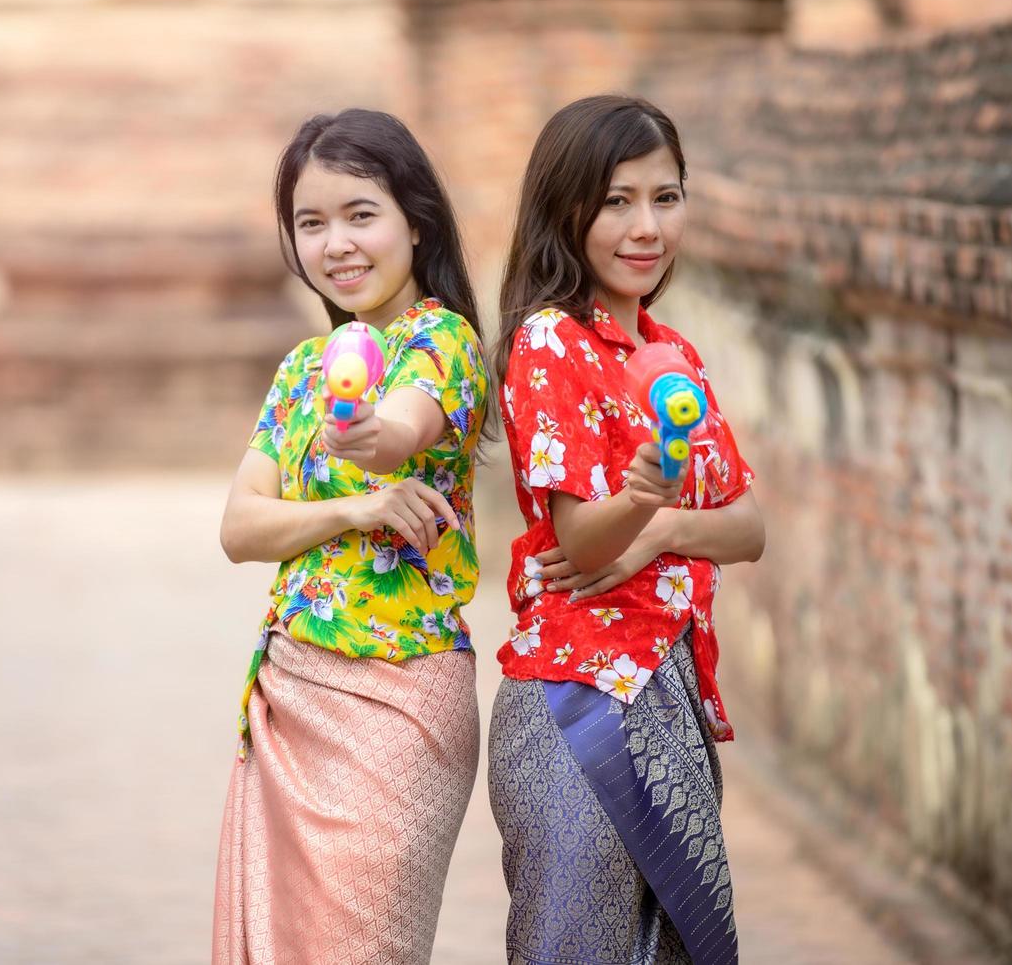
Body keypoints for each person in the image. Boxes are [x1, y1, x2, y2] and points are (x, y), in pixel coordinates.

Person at [489, 94, 766, 965]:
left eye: (665, 197)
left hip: (668, 694)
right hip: (580, 708)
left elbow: (749, 526)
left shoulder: (674, 355)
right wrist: (643, 508)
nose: (645, 227)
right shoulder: (548, 344)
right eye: (615, 201)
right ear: (563, 209)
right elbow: (581, 544)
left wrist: (655, 530)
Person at [212, 108, 489, 964]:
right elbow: (237, 526)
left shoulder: (444, 343)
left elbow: (398, 431)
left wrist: (364, 434)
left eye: (360, 214)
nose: (336, 244)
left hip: (399, 702)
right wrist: (353, 508)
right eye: (311, 223)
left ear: (415, 220)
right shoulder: (301, 369)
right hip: (291, 690)